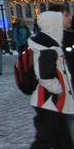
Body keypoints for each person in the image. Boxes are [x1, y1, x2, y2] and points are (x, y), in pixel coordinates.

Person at [27, 9, 74, 149]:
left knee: (63, 140)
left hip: (55, 101)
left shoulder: (52, 43)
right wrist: (59, 91)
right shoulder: (46, 46)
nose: (70, 18)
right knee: (45, 140)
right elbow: (45, 75)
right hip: (49, 101)